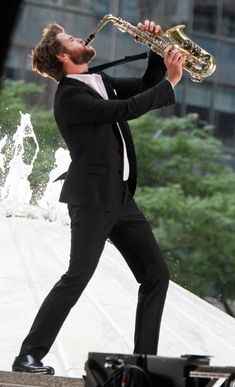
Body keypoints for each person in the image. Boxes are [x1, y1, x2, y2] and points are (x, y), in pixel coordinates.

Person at [12, 19, 185, 375]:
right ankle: (28, 356)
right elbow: (126, 109)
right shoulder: (71, 96)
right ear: (63, 55)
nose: (81, 37)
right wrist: (170, 82)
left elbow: (141, 87)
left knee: (156, 275)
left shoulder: (98, 81)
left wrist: (155, 50)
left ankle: (144, 364)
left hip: (120, 198)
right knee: (77, 276)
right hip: (91, 199)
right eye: (71, 38)